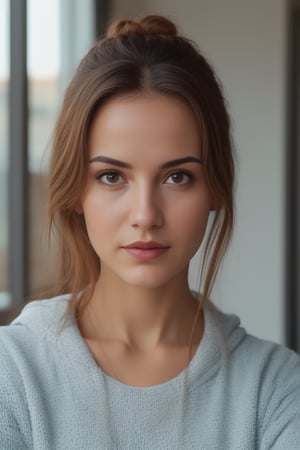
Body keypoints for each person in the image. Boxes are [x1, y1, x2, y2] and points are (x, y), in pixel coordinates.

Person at [0, 14, 300, 450]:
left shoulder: (275, 390)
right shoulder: (12, 374)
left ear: (214, 188)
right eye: (111, 177)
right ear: (74, 192)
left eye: (177, 177)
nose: (145, 215)